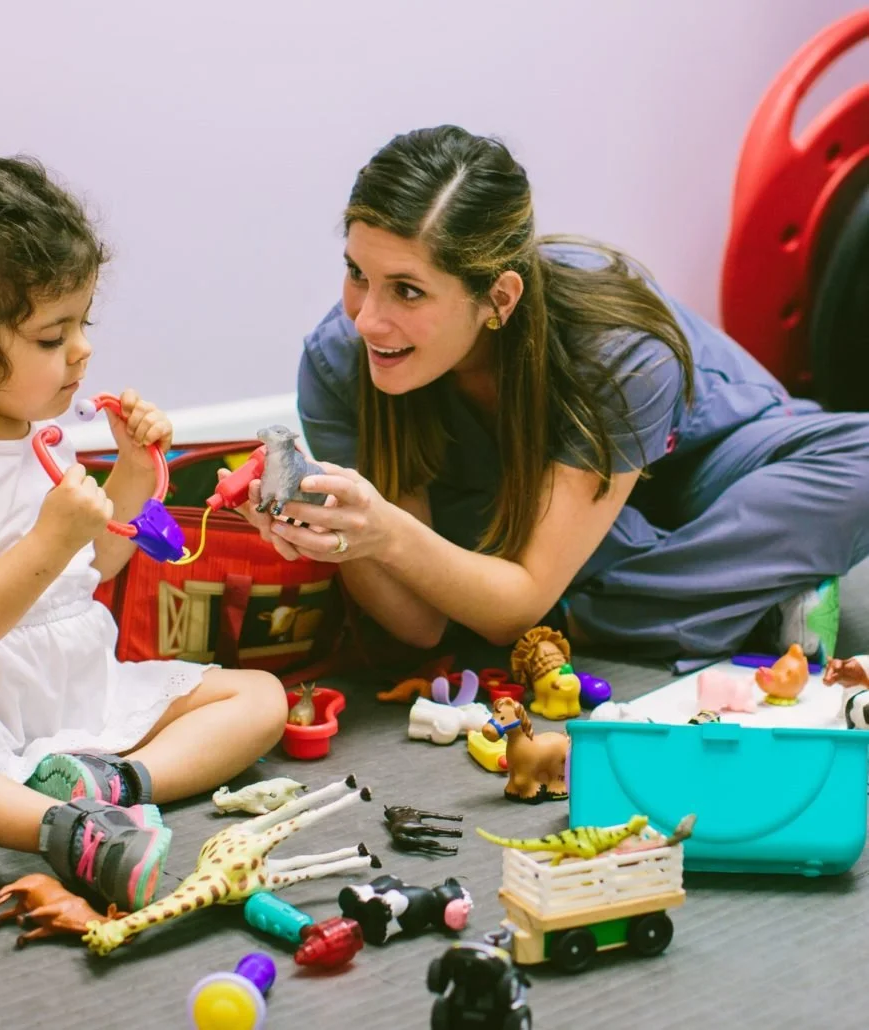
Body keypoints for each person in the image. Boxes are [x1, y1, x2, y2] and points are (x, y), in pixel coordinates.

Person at [231, 124, 869, 674]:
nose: (367, 318)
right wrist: (336, 533)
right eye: (356, 274)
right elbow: (422, 628)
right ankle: (738, 595)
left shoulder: (615, 348)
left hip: (702, 471)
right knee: (502, 557)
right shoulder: (339, 362)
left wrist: (505, 596)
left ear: (499, 300)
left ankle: (582, 615)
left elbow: (513, 605)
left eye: (407, 291)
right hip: (539, 497)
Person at [0, 137, 288, 913]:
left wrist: (134, 478)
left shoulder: (37, 438)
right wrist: (50, 537)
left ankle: (114, 786)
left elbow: (99, 570)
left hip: (72, 704)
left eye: (81, 323)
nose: (81, 352)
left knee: (261, 699)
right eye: (51, 336)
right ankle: (60, 830)